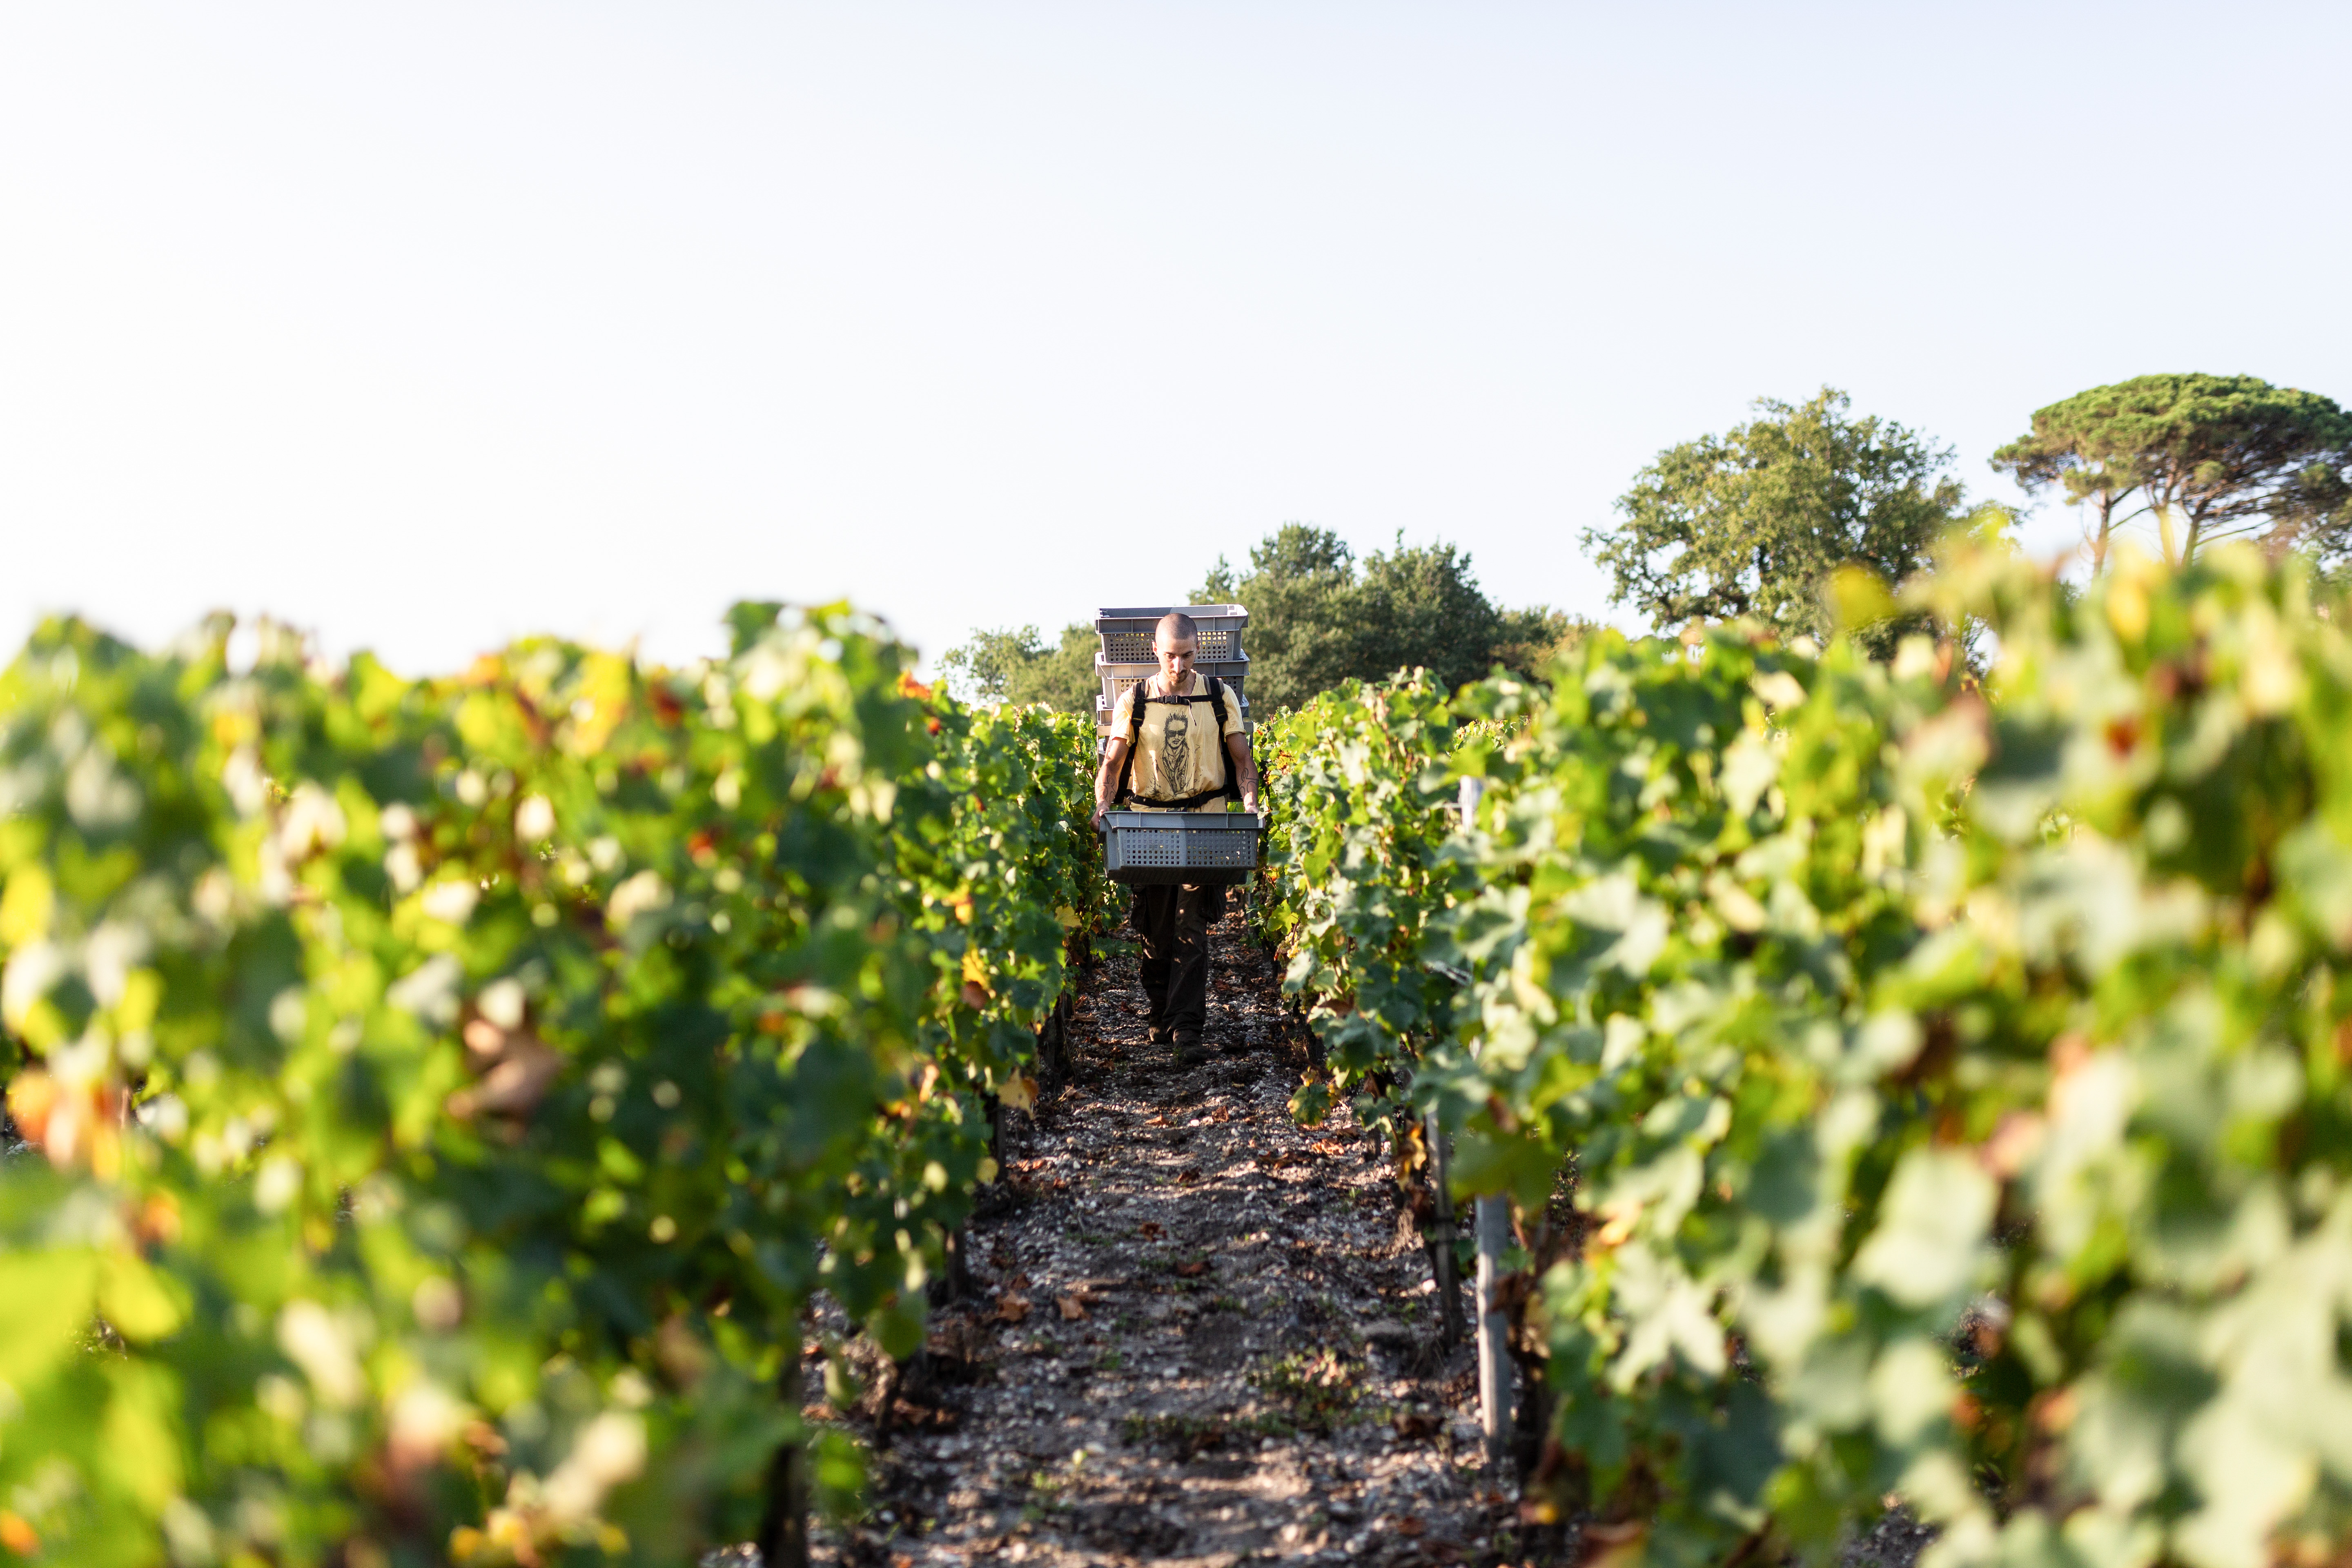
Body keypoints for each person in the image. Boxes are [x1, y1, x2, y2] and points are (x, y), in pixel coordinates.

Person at [1092, 611, 1260, 1066]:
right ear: (1156, 652)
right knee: (1157, 930)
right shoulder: (1137, 700)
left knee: (1192, 929)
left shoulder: (1219, 696)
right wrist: (1104, 805)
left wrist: (1248, 804)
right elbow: (1113, 761)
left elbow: (1242, 759)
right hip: (1152, 828)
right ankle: (1160, 1010)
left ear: (1198, 652)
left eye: (1186, 656)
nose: (1179, 666)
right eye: (1171, 656)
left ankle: (1187, 1027)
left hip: (1206, 823)